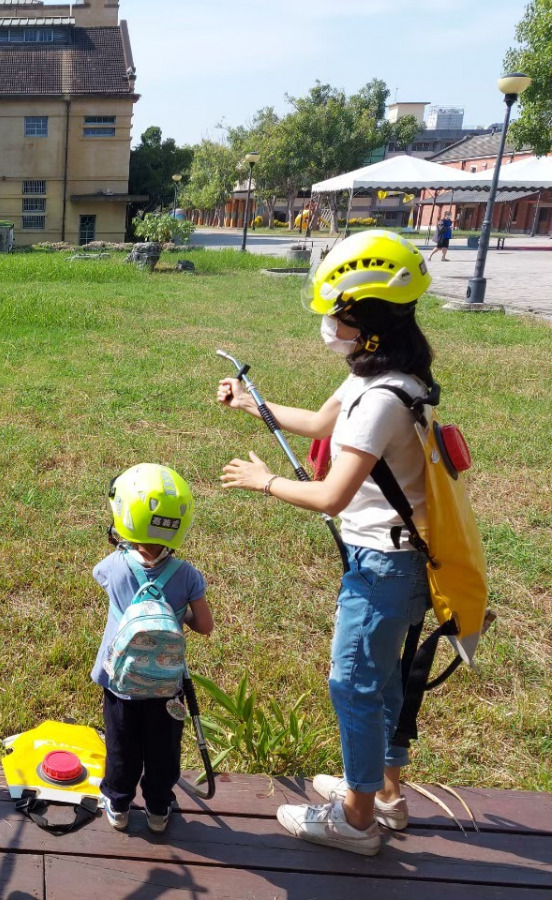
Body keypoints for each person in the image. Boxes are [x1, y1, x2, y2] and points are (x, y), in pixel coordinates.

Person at [218, 230, 434, 856]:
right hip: (397, 561)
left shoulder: (380, 401)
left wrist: (266, 482)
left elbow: (331, 496)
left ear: (367, 324)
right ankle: (385, 794)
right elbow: (317, 423)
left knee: (354, 685)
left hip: (382, 567)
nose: (329, 326)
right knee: (383, 684)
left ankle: (357, 820)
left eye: (338, 316)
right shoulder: (389, 379)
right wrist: (249, 404)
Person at [90, 464, 213, 835]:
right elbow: (204, 626)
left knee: (121, 745)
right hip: (167, 682)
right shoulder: (188, 575)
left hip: (120, 681)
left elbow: (102, 578)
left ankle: (118, 803)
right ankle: (158, 809)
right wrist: (180, 612)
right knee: (162, 748)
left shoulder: (113, 566)